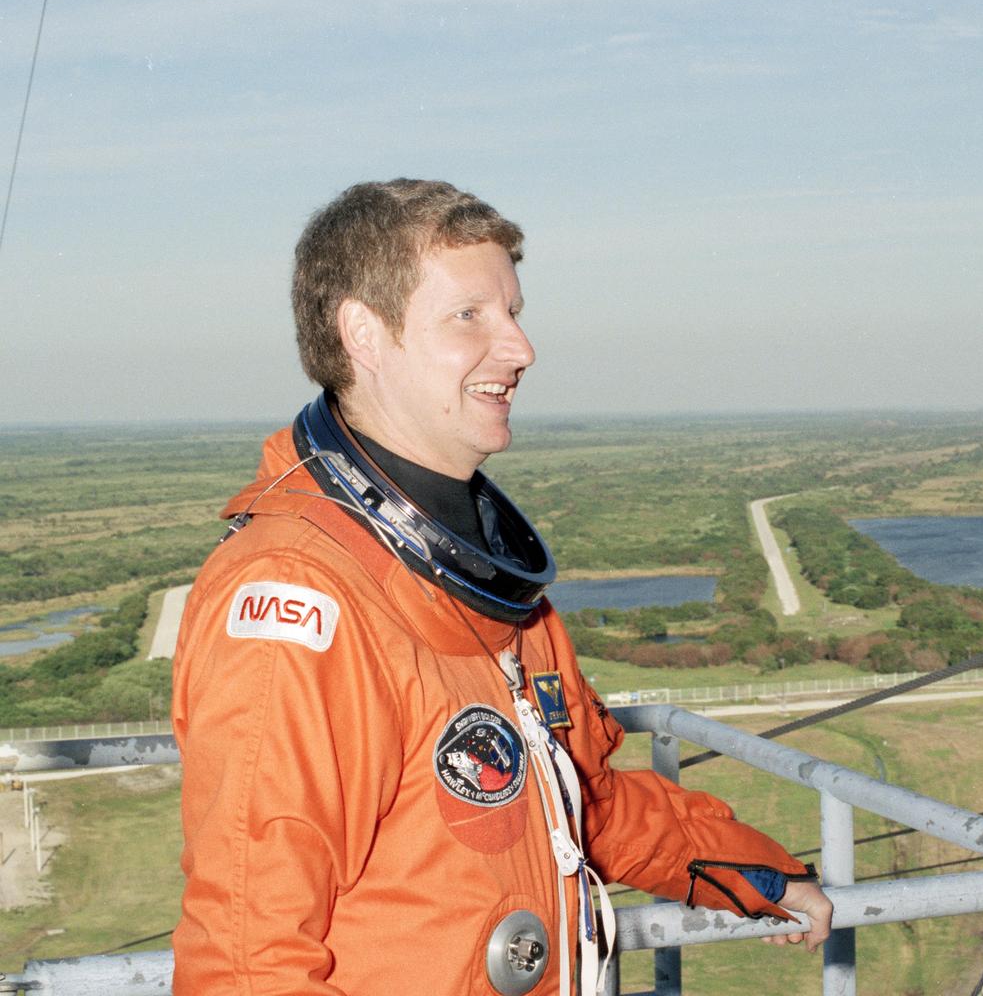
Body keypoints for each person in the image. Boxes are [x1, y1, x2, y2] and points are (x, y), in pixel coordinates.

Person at [170, 179, 833, 995]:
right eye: (470, 316)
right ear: (363, 335)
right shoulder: (297, 603)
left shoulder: (490, 586)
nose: (520, 349)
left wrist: (754, 871)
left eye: (514, 313)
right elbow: (246, 962)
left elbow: (576, 800)